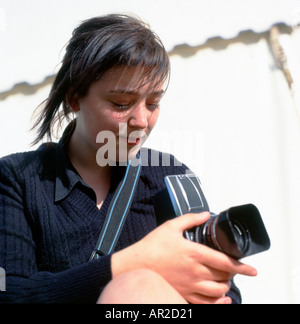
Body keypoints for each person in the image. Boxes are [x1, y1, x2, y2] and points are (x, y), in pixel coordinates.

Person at [0, 14, 257, 304]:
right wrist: (138, 261)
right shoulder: (16, 179)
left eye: (153, 103)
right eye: (121, 104)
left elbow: (224, 287)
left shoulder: (168, 175)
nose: (141, 120)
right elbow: (8, 293)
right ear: (74, 98)